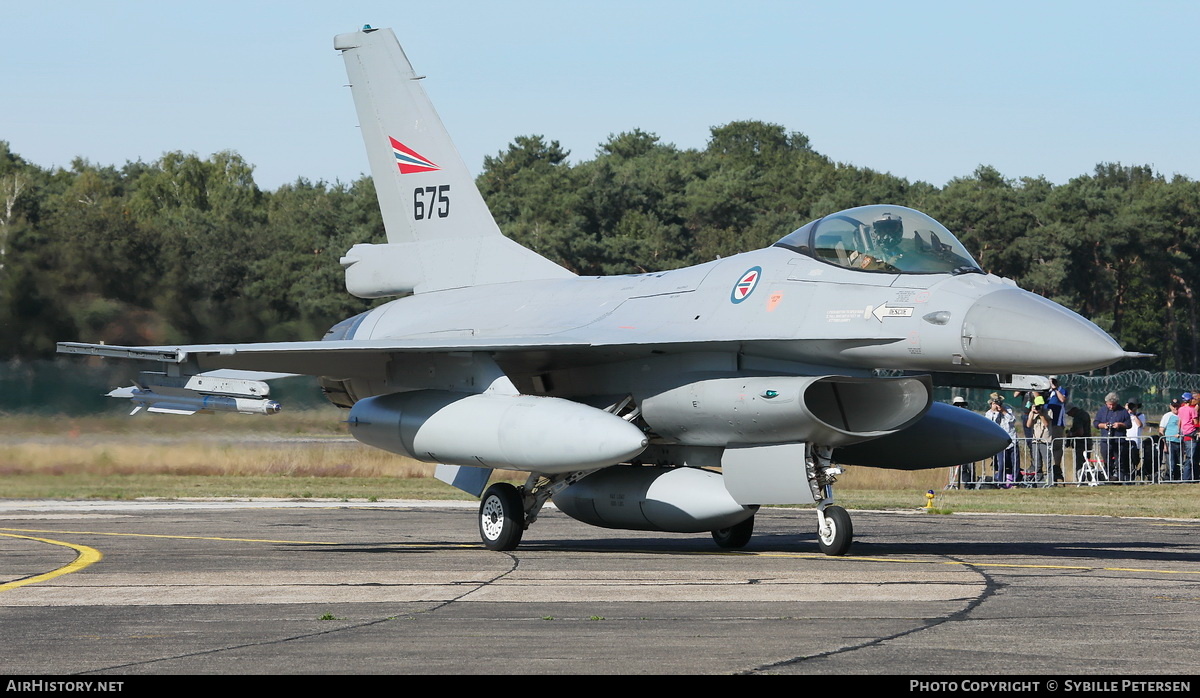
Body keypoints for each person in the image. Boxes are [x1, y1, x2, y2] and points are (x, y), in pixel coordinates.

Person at [1094, 394, 1131, 482]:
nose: (1111, 406)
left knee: (1119, 460)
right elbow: (1096, 423)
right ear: (1106, 403)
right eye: (1109, 404)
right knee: (1106, 459)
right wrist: (1103, 425)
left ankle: (1120, 478)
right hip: (1105, 440)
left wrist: (1120, 425)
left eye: (1113, 405)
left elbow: (1129, 424)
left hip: (1119, 440)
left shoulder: (1123, 411)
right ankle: (1108, 477)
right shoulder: (1102, 411)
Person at [986, 395, 1019, 484]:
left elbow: (1012, 420)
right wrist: (995, 412)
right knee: (1001, 463)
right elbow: (990, 424)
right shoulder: (989, 413)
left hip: (1012, 439)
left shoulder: (1007, 410)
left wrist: (1003, 411)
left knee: (1015, 463)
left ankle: (1015, 482)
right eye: (995, 403)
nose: (997, 405)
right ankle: (1001, 482)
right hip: (1000, 441)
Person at [1026, 397, 1054, 485]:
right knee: (1037, 464)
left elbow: (1046, 424)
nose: (1039, 407)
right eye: (1037, 406)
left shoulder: (1049, 411)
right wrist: (1032, 414)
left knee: (1048, 463)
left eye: (1041, 406)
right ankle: (1039, 482)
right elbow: (1028, 425)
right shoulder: (1033, 413)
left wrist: (1041, 414)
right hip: (1035, 441)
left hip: (1045, 440)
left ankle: (1050, 482)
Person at [1159, 399, 1183, 481]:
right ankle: (1169, 479)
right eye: (1173, 406)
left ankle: (1178, 478)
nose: (1175, 408)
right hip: (1170, 442)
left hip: (1180, 442)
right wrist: (1164, 444)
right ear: (1170, 406)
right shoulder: (1167, 416)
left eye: (1177, 406)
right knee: (1170, 463)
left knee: (1179, 463)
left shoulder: (1182, 414)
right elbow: (1161, 430)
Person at [1067, 404, 1092, 481]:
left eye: (1068, 413)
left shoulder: (1078, 417)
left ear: (1073, 410)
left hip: (1081, 443)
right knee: (1086, 462)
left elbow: (1080, 432)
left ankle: (1080, 479)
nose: (1068, 415)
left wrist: (1071, 434)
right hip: (1088, 441)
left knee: (1080, 463)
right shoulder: (1085, 414)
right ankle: (1089, 478)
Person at [1125, 402, 1148, 481]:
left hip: (1136, 442)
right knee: (1125, 461)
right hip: (1125, 441)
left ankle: (1133, 476)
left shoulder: (1140, 416)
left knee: (1135, 460)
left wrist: (1134, 415)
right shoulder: (1125, 415)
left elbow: (1140, 425)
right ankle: (1127, 478)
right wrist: (1126, 411)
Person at [1180, 392, 1198, 482]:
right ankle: (1187, 478)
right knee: (1191, 457)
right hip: (1192, 434)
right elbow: (1195, 422)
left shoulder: (1181, 409)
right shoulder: (1192, 410)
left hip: (1184, 434)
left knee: (1188, 456)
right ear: (1190, 400)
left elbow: (1180, 421)